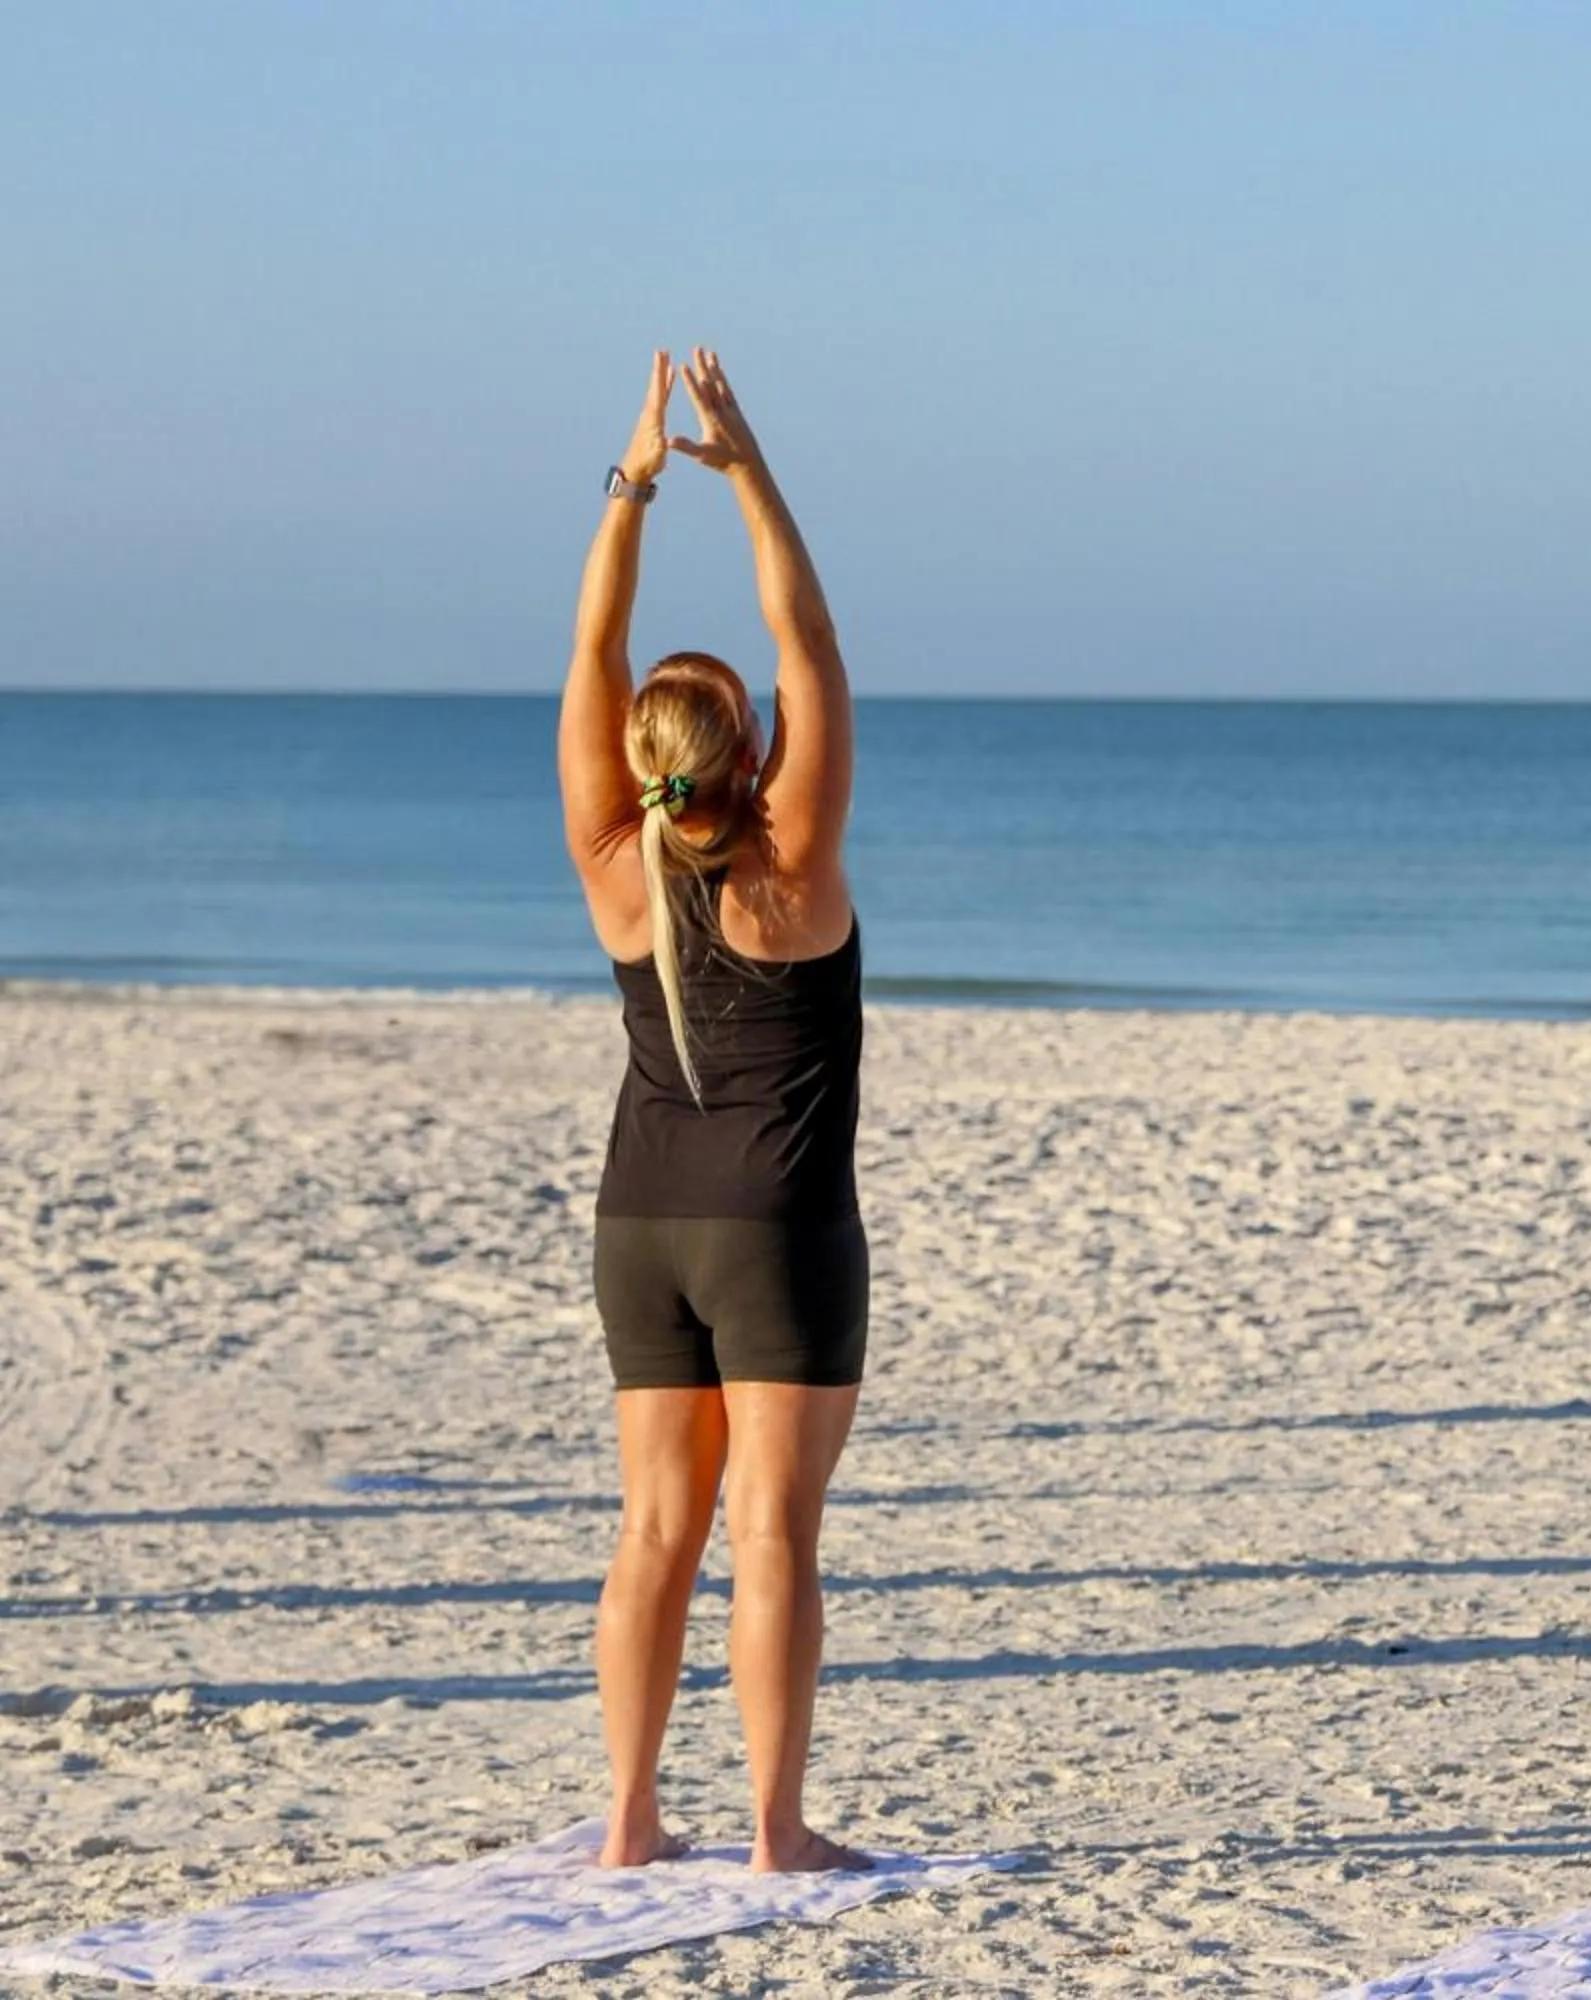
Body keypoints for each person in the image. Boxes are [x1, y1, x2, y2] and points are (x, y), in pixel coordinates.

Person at [557, 349, 868, 1873]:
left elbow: (593, 641)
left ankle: (627, 1823)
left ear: (639, 762)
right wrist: (745, 470)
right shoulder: (790, 860)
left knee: (652, 1535)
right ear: (748, 758)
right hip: (773, 1232)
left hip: (639, 1226)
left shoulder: (613, 856)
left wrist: (629, 490)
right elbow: (806, 637)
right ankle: (773, 1829)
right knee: (771, 1538)